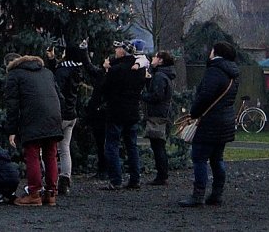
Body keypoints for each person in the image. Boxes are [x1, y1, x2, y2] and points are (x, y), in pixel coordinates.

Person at [179, 42, 240, 207]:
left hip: (210, 122)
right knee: (217, 159)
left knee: (199, 158)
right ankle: (216, 194)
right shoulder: (233, 73)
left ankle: (198, 196)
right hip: (226, 121)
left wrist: (194, 113)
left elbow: (205, 96)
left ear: (216, 52)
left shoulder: (214, 71)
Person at [4, 52, 64, 207]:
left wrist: (12, 130)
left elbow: (12, 105)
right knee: (51, 155)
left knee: (32, 155)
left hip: (32, 119)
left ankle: (34, 194)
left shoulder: (14, 75)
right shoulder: (47, 72)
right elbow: (60, 96)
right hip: (53, 117)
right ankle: (51, 193)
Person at [46, 39, 98, 194]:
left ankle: (50, 179)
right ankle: (65, 180)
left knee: (49, 149)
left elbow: (56, 86)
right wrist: (52, 60)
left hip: (59, 114)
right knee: (64, 148)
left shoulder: (63, 70)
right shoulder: (77, 69)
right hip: (71, 114)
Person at [100, 40, 146, 190]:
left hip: (116, 112)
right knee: (131, 145)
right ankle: (135, 178)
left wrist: (107, 71)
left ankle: (116, 180)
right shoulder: (138, 69)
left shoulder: (116, 70)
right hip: (132, 111)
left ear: (123, 51)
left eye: (118, 48)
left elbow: (105, 89)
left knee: (112, 145)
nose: (115, 50)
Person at [142, 50, 176, 185]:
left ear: (161, 60)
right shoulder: (165, 75)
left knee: (158, 146)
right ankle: (163, 174)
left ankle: (162, 175)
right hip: (163, 113)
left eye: (155, 57)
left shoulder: (160, 77)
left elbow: (157, 96)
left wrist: (143, 95)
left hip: (158, 114)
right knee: (159, 145)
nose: (152, 58)